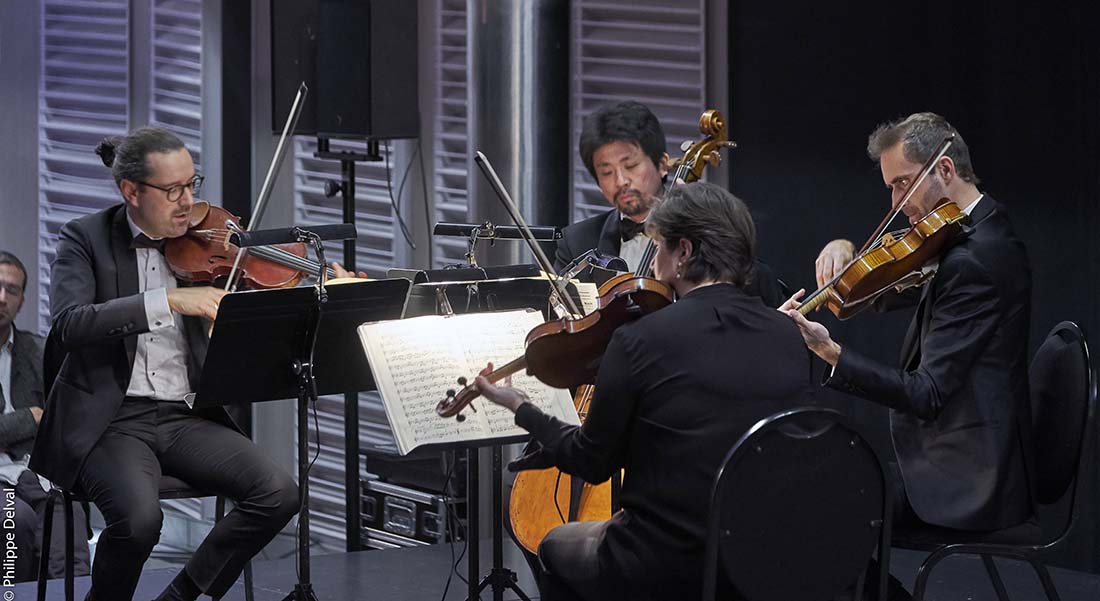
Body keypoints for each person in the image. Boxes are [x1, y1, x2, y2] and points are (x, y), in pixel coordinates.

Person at [28, 126, 353, 601]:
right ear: (131, 191)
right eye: (172, 190)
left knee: (278, 492)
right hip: (111, 421)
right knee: (140, 522)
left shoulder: (214, 244)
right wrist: (172, 300)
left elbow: (265, 313)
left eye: (192, 184)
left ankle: (180, 596)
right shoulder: (86, 237)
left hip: (186, 415)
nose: (187, 202)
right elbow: (70, 325)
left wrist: (322, 285)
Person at [477, 182, 812, 601]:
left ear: (684, 253)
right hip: (763, 554)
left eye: (658, 248)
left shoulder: (641, 339)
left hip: (666, 559)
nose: (653, 262)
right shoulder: (786, 333)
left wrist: (523, 408)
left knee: (554, 544)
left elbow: (592, 462)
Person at [782, 113, 1034, 598]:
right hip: (961, 452)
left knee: (821, 506)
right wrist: (845, 247)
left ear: (943, 170)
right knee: (820, 490)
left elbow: (927, 394)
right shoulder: (974, 227)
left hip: (968, 478)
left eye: (902, 184)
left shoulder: (977, 261)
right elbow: (868, 290)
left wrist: (829, 351)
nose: (896, 205)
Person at [554, 100, 784, 306]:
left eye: (631, 166)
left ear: (663, 164)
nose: (621, 181)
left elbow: (755, 284)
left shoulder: (704, 231)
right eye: (606, 172)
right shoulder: (576, 243)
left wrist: (695, 221)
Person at [0, 251, 91, 581]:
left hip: (32, 469)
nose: (2, 298)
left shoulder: (38, 351)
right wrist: (31, 417)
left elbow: (62, 419)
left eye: (12, 290)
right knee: (16, 519)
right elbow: (40, 418)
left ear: (22, 300)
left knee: (67, 510)